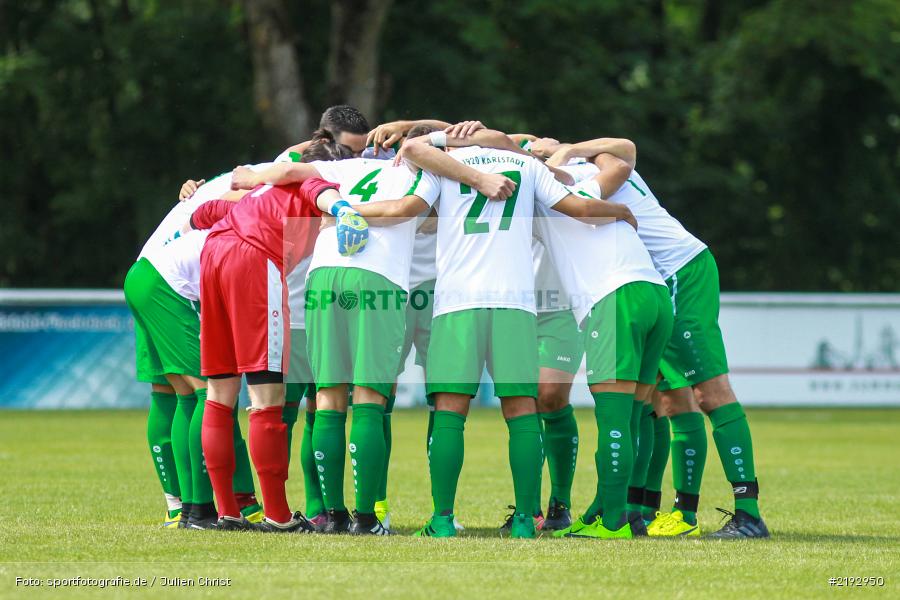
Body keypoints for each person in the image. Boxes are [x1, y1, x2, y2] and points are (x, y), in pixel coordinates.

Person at [392, 129, 635, 539]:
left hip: (457, 302)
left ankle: (443, 520)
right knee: (522, 411)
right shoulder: (526, 164)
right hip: (516, 302)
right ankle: (526, 519)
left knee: (450, 412)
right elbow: (576, 208)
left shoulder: (444, 167)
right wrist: (617, 212)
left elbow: (411, 201)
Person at [543, 137, 769, 538]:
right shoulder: (573, 173)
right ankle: (658, 511)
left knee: (709, 392)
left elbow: (623, 151)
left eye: (535, 148)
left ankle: (747, 514)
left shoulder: (588, 169)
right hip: (653, 282)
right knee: (662, 399)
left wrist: (569, 149)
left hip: (678, 269)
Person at [191, 138, 366, 533]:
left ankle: (227, 512)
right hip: (254, 260)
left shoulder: (263, 191)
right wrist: (344, 210)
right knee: (266, 394)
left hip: (215, 254)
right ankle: (278, 516)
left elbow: (205, 212)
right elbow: (318, 192)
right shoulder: (311, 180)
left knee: (219, 393)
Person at [125, 171, 266, 528]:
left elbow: (201, 211)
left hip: (149, 272)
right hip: (170, 283)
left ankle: (185, 505)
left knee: (176, 394)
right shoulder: (268, 188)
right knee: (211, 394)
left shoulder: (235, 184)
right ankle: (201, 508)